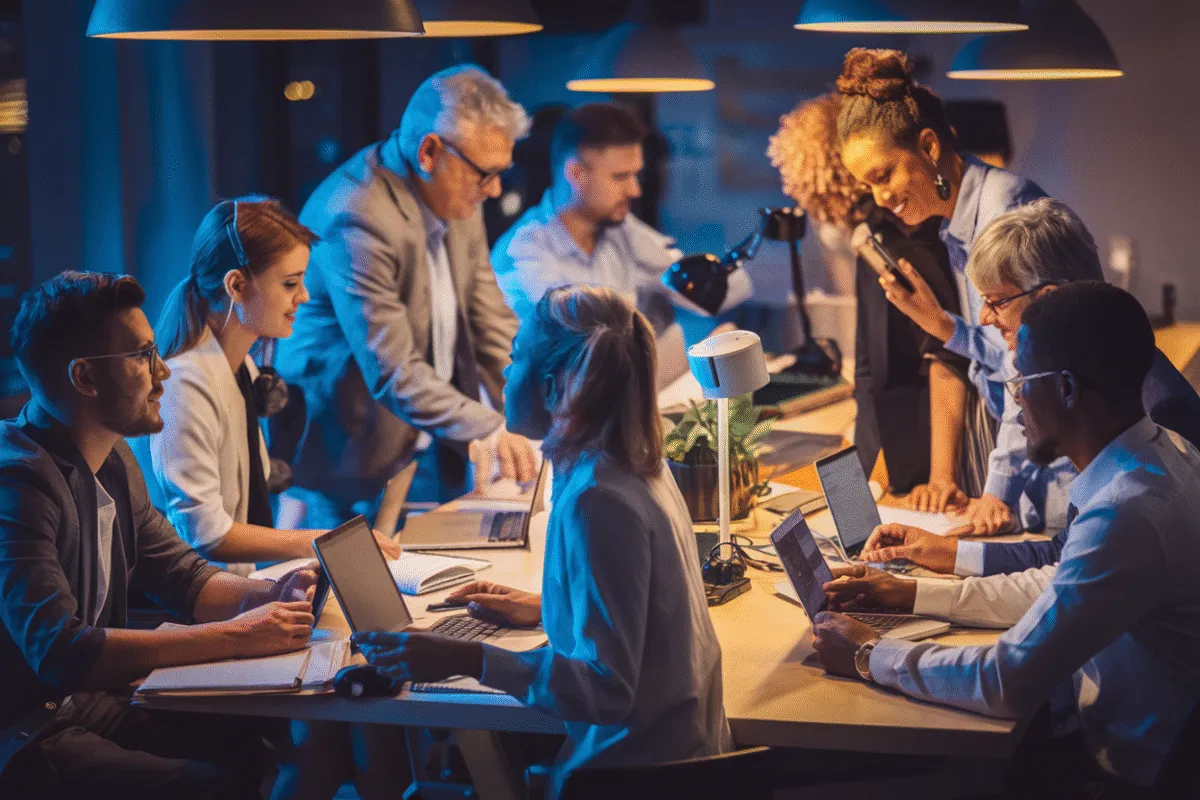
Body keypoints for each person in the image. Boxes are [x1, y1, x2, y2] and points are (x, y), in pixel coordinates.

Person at [811, 282, 1200, 794]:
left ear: (1065, 389)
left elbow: (1006, 680)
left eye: (1021, 383)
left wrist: (869, 654)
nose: (1015, 405)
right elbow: (1060, 586)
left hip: (1134, 776)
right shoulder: (1159, 456)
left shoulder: (1127, 511)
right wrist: (914, 594)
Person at [353, 286, 732, 798]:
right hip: (676, 758)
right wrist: (549, 608)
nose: (506, 376)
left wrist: (465, 660)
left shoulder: (598, 498)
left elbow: (607, 688)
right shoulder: (636, 465)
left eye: (516, 358)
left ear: (555, 388)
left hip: (634, 778)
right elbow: (642, 614)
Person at [0, 271, 318, 799]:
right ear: (85, 378)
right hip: (28, 728)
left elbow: (182, 576)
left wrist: (268, 595)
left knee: (247, 743)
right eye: (143, 355)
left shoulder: (114, 457)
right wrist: (240, 636)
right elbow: (60, 652)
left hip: (86, 703)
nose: (162, 370)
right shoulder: (18, 485)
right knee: (205, 785)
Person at [860, 203, 1200, 577]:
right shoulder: (1095, 380)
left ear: (1047, 298)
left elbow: (1069, 585)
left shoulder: (1151, 414)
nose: (986, 318)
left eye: (996, 301)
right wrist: (948, 553)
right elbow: (1064, 553)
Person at [276, 65, 537, 517]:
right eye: (485, 174)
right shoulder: (357, 214)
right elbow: (392, 369)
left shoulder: (456, 192)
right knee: (334, 588)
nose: (494, 191)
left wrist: (544, 401)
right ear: (430, 151)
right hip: (344, 459)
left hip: (420, 442)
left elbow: (491, 322)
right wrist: (492, 428)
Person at [834, 47, 1048, 516]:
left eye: (883, 173)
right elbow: (998, 349)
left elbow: (1027, 370)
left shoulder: (1001, 209)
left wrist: (997, 492)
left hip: (1052, 460)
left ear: (929, 147)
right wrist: (942, 324)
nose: (880, 196)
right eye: (867, 185)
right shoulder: (955, 223)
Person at [145, 197, 401, 574]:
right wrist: (325, 543)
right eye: (290, 283)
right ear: (236, 285)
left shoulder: (243, 368)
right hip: (193, 614)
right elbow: (207, 534)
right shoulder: (184, 386)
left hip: (233, 594)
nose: (305, 296)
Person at [768, 92, 980, 496]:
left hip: (918, 457)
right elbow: (869, 368)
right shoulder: (870, 235)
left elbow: (939, 356)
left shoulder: (897, 239)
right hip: (886, 446)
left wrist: (937, 478)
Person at [491, 102, 750, 337]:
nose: (635, 190)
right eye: (620, 177)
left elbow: (715, 295)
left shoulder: (621, 229)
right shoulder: (522, 254)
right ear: (576, 173)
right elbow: (582, 352)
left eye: (636, 175)